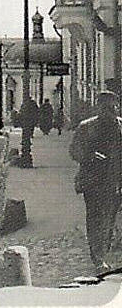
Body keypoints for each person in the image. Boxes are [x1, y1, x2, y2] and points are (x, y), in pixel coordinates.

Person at [69, 91, 122, 268]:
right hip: (93, 181)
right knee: (95, 219)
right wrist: (91, 156)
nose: (110, 111)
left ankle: (102, 250)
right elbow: (74, 151)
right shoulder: (86, 127)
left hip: (114, 182)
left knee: (109, 219)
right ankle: (98, 257)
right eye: (106, 107)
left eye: (113, 107)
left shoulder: (121, 126)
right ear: (98, 108)